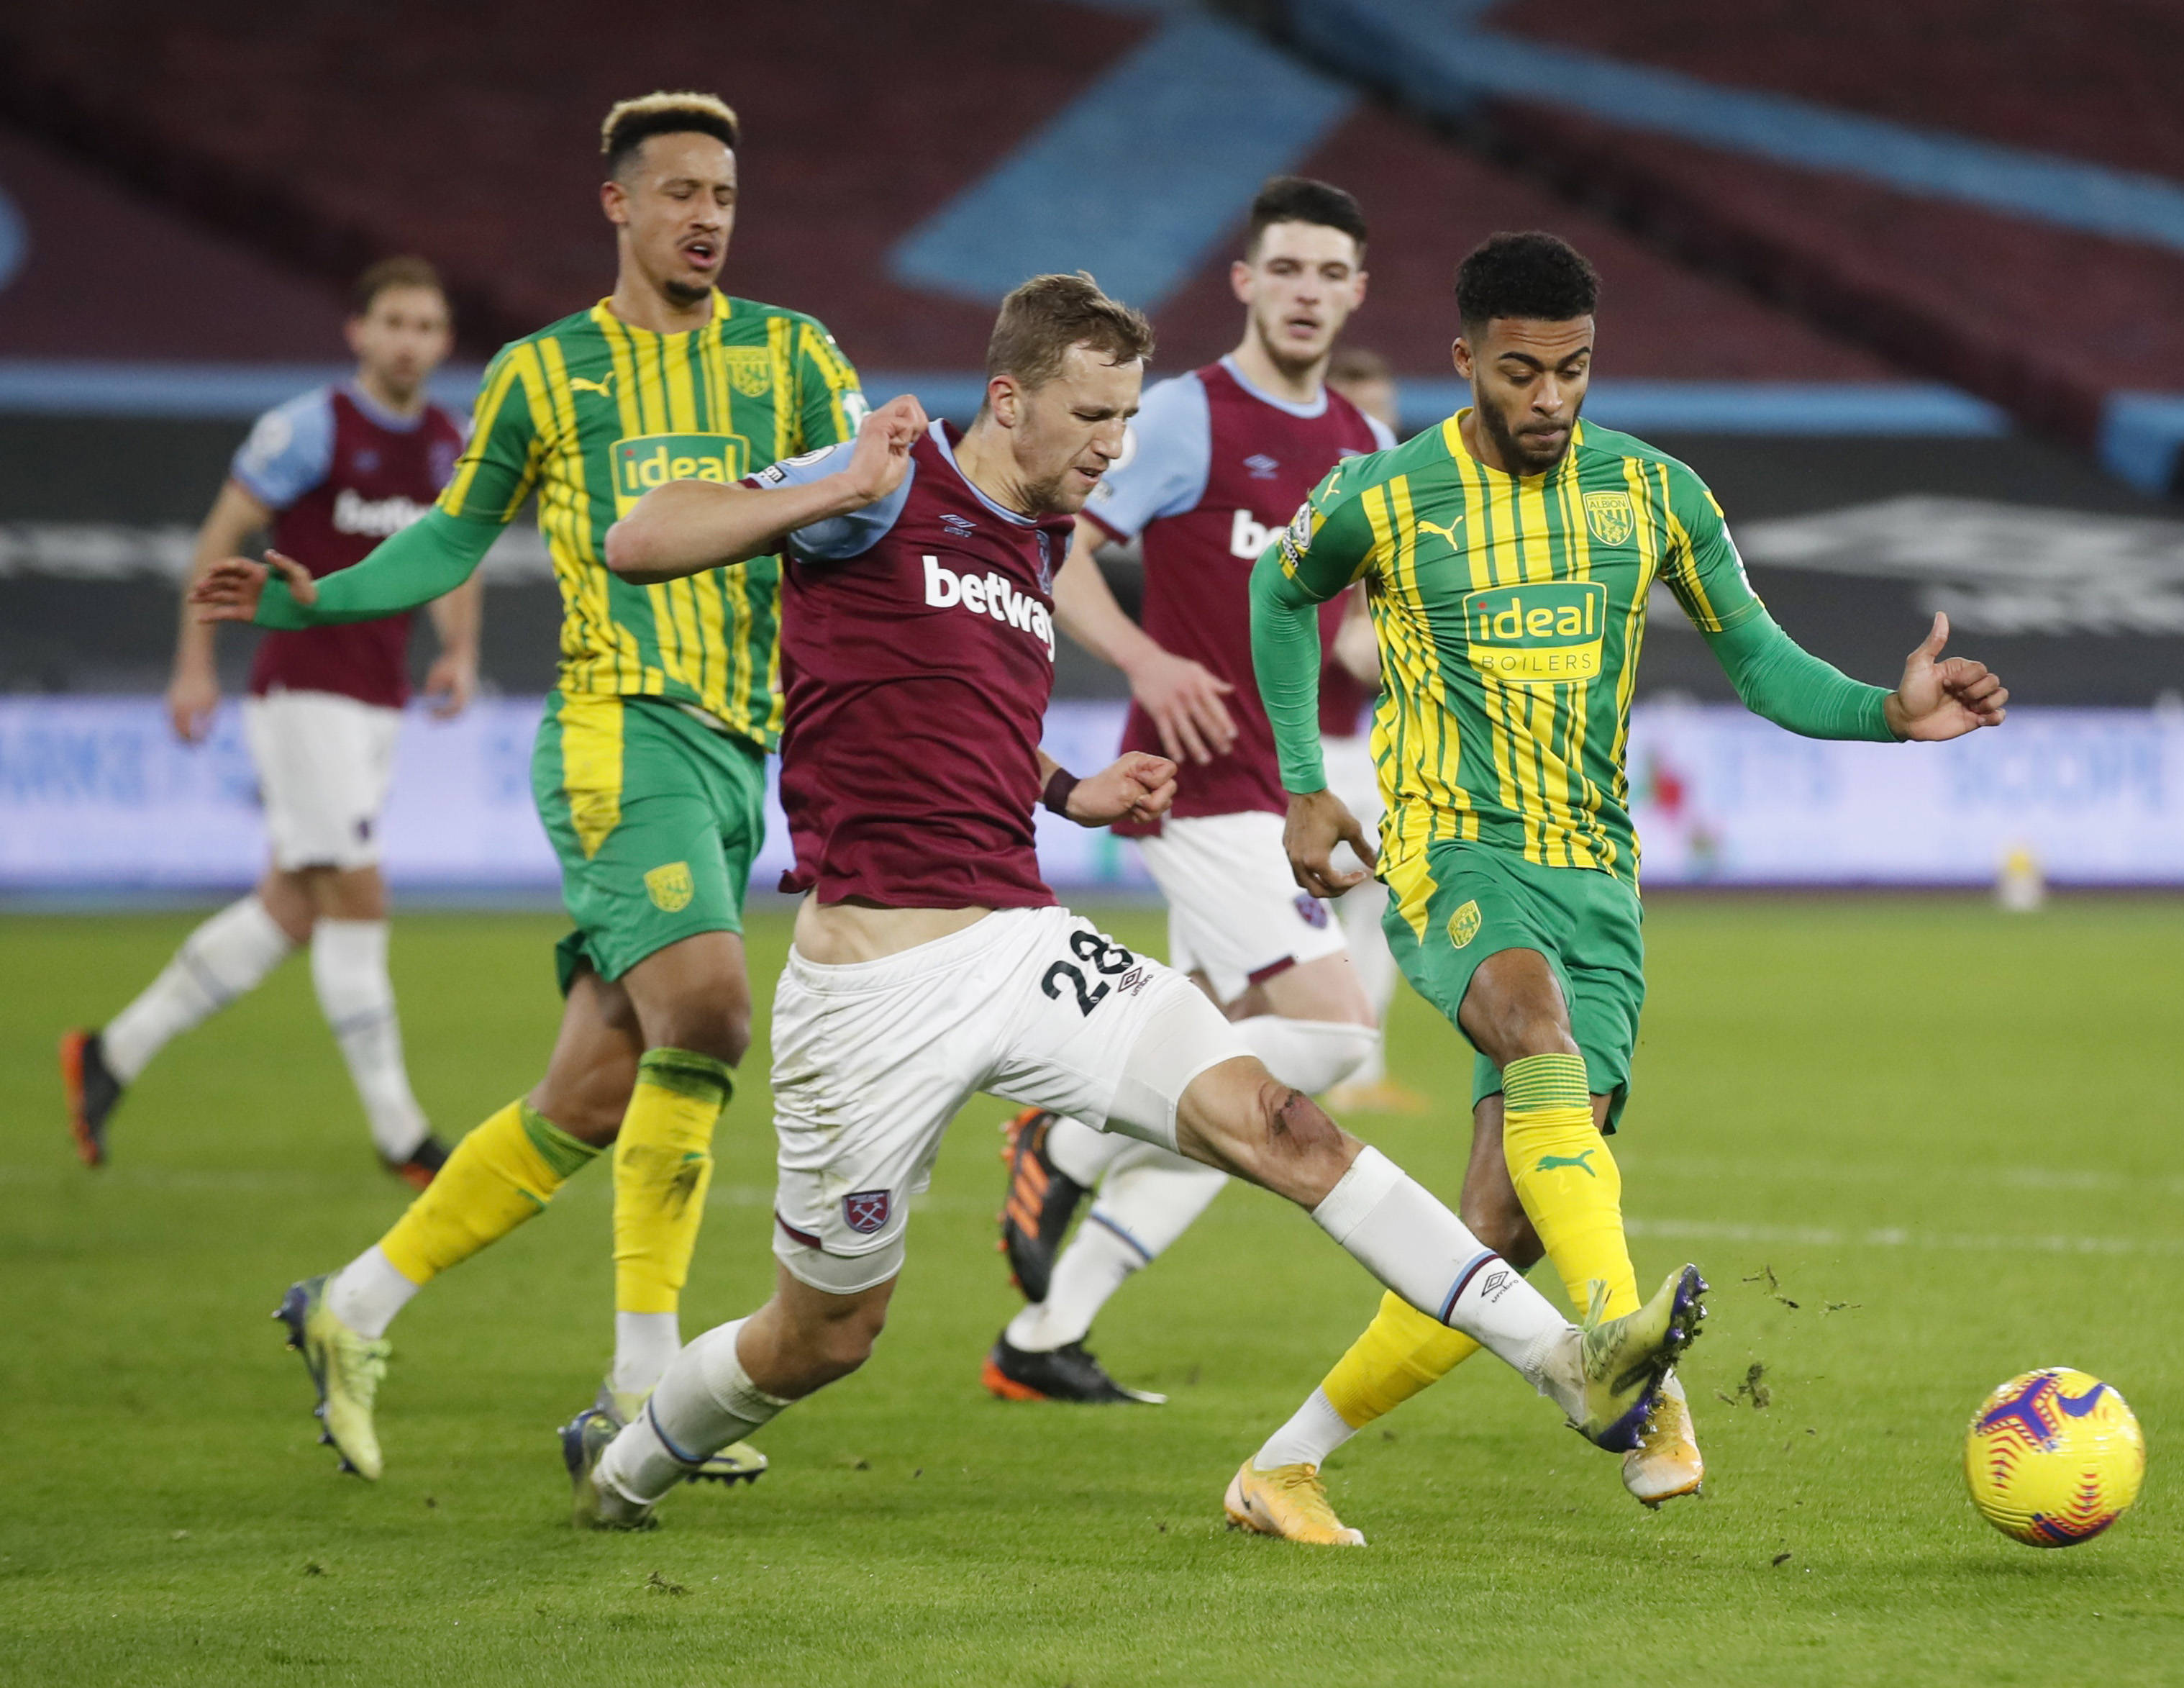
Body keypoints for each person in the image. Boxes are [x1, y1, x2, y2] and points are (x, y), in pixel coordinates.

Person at [563, 271, 1699, 1537]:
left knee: (1284, 1124)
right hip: (870, 986)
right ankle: (630, 1461)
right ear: (1010, 398)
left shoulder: (1033, 536)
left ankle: (1569, 1363)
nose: (1116, 449)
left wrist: (1067, 787)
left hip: (1024, 941)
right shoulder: (880, 484)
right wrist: (834, 485)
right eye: (1095, 419)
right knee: (823, 1336)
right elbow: (640, 537)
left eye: (1127, 420)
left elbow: (943, 705)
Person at [1239, 232, 2011, 1542]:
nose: (1550, 399)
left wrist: (1889, 709)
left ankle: (1283, 1467)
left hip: (1598, 874)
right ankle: (1641, 1388)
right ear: (1465, 361)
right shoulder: (1388, 496)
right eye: (1522, 371)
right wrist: (1307, 780)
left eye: (1575, 371)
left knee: (1499, 1225)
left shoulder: (1654, 495)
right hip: (1451, 848)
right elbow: (1277, 587)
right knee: (1529, 1019)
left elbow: (1760, 663)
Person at [189, 91, 864, 1484]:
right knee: (713, 1011)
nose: (706, 219)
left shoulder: (795, 358)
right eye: (678, 193)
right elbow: (446, 546)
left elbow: (865, 509)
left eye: (724, 197)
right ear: (615, 204)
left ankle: (352, 1306)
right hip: (620, 734)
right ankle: (642, 1388)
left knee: (597, 1089)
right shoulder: (546, 374)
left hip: (740, 751)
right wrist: (319, 606)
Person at [986, 179, 1394, 1407]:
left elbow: (1364, 627)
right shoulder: (1184, 416)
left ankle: (1044, 1338)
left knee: (1226, 1099)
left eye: (1332, 273)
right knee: (1333, 1034)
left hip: (1298, 792)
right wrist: (1150, 657)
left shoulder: (1366, 449)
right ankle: (1060, 1136)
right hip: (1202, 791)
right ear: (1247, 282)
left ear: (1356, 291)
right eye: (1289, 270)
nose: (1309, 292)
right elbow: (1059, 556)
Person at [63, 257, 476, 1186]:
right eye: (395, 322)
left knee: (292, 906)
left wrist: (457, 648)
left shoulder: (451, 441)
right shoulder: (307, 428)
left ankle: (111, 1053)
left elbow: (453, 557)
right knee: (360, 897)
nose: (410, 340)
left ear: (444, 342)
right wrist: (194, 662)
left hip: (377, 701)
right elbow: (219, 543)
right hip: (302, 693)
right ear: (359, 332)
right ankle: (401, 1131)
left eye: (427, 325)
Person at [1313, 346, 1423, 1117]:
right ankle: (1320, 1061)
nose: (1379, 425)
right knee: (1319, 915)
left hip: (1370, 750)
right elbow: (1353, 642)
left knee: (1380, 910)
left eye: (1384, 409)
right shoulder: (1321, 506)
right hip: (1314, 750)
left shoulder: (1396, 496)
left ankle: (1354, 1066)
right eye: (1364, 410)